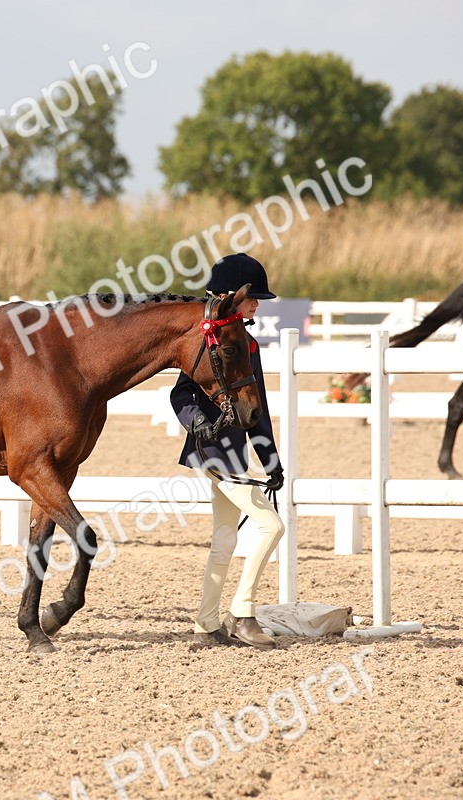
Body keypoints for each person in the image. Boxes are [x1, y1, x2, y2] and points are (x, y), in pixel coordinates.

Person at [170, 253, 286, 649]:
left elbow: (259, 411)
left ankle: (205, 626)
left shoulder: (246, 343)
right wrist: (194, 422)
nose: (257, 305)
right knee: (272, 526)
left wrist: (272, 462)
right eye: (253, 299)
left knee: (224, 540)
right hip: (213, 450)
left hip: (234, 454)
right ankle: (242, 612)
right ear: (228, 298)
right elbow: (181, 392)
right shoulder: (211, 343)